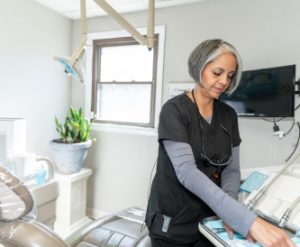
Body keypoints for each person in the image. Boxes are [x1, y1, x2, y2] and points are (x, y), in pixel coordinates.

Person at [145, 39, 295, 247]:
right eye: (217, 73)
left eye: (230, 76)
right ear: (199, 68)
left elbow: (231, 170)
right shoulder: (174, 111)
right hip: (173, 221)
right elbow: (187, 172)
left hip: (209, 219)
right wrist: (245, 220)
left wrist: (231, 211)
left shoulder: (228, 115)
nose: (224, 81)